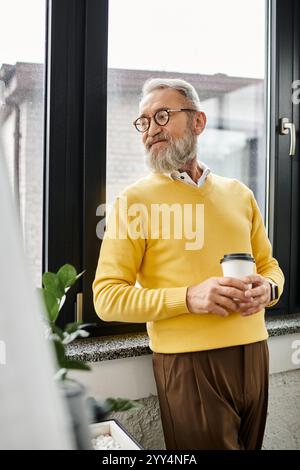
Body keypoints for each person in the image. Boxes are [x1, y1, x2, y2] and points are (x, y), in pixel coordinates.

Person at [93, 78, 284, 450]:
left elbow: (270, 265)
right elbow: (107, 297)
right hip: (188, 365)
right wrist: (189, 298)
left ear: (198, 121)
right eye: (143, 122)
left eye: (162, 115)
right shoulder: (134, 202)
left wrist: (269, 289)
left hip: (256, 354)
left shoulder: (239, 195)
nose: (151, 129)